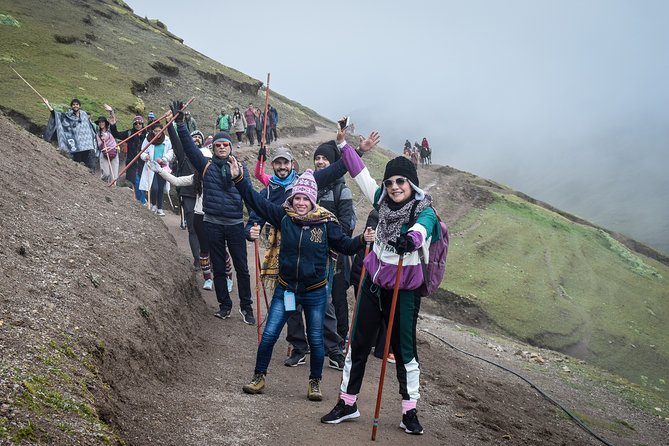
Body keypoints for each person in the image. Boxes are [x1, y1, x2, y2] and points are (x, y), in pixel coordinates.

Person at [321, 129, 441, 436]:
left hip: (404, 291)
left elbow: (425, 228)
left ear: (411, 183)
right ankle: (348, 402)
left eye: (400, 181)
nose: (393, 186)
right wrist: (344, 145)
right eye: (389, 182)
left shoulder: (422, 209)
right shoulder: (381, 200)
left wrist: (411, 238)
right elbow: (361, 174)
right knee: (358, 343)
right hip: (373, 286)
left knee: (404, 349)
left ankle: (409, 411)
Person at [230, 159, 375, 401]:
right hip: (286, 289)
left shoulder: (326, 223)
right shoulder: (283, 217)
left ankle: (315, 382)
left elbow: (346, 247)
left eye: (305, 198)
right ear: (291, 199)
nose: (300, 202)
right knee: (269, 335)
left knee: (316, 340)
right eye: (297, 198)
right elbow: (256, 201)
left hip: (315, 292)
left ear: (313, 200)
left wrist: (362, 240)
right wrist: (239, 180)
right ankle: (259, 377)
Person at [172, 101, 255, 324]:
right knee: (219, 267)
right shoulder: (205, 165)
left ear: (230, 147)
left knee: (242, 268)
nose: (221, 148)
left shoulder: (241, 169)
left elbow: (249, 196)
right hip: (213, 223)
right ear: (213, 148)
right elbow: (189, 148)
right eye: (218, 145)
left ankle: (246, 308)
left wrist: (253, 223)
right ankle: (225, 306)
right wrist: (180, 124)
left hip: (235, 224)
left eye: (225, 145)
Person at [284, 141, 356, 370]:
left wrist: (323, 236)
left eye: (325, 159)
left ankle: (334, 348)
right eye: (317, 158)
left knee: (327, 303)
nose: (320, 161)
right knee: (291, 302)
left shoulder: (341, 190)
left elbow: (348, 224)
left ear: (333, 163)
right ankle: (298, 347)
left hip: (328, 257)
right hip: (295, 256)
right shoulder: (303, 188)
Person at [43, 98, 97, 172]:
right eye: (73, 105)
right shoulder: (68, 115)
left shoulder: (84, 115)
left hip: (87, 145)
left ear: (79, 106)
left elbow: (89, 127)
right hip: (76, 145)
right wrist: (47, 104)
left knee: (90, 165)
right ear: (71, 106)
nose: (75, 106)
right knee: (77, 164)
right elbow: (57, 115)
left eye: (77, 104)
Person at [109, 111, 147, 203]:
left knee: (144, 182)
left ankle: (142, 199)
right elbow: (116, 134)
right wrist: (113, 124)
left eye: (140, 123)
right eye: (136, 123)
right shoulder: (130, 133)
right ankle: (141, 201)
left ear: (142, 124)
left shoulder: (147, 134)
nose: (138, 125)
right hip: (132, 162)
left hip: (144, 162)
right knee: (136, 181)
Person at [139, 122, 173, 216]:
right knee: (154, 188)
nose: (158, 133)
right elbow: (142, 151)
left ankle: (160, 208)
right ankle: (154, 204)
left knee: (161, 188)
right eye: (156, 131)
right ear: (152, 131)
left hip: (162, 167)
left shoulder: (166, 140)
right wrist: (146, 156)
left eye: (160, 131)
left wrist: (165, 158)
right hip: (152, 167)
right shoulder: (148, 139)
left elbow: (171, 151)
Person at [94, 116, 118, 184]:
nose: (101, 123)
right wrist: (103, 143)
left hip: (114, 152)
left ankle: (113, 190)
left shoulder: (110, 131)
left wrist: (111, 112)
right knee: (106, 174)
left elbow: (113, 120)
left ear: (105, 123)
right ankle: (102, 185)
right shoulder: (98, 134)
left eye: (102, 122)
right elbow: (99, 145)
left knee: (114, 176)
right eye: (100, 122)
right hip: (104, 153)